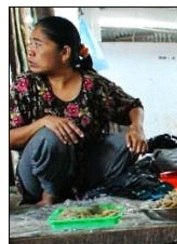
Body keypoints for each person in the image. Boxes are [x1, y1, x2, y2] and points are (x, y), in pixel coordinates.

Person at [9, 16, 147, 205]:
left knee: (126, 143)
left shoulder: (93, 84)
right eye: (30, 44)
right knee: (52, 134)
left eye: (38, 45)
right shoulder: (24, 85)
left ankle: (91, 193)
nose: (30, 52)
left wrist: (137, 127)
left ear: (64, 53)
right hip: (36, 181)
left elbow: (133, 105)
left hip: (81, 176)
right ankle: (50, 195)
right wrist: (43, 123)